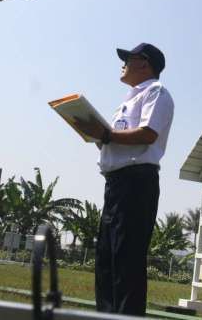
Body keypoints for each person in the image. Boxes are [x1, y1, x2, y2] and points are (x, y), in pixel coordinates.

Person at [74, 42, 174, 316]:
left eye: (127, 59)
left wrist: (105, 135)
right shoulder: (128, 101)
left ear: (144, 63)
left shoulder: (156, 92)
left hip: (137, 183)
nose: (123, 64)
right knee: (107, 261)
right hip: (116, 185)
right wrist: (96, 134)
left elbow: (147, 134)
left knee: (127, 260)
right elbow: (117, 141)